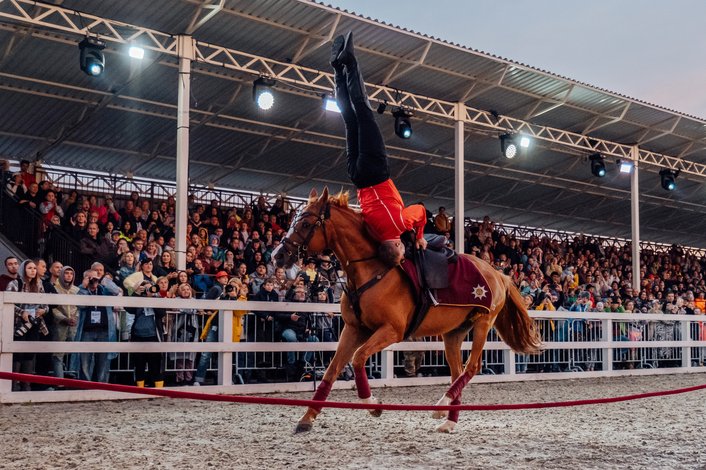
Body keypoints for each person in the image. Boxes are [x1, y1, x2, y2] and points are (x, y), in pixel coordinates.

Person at [330, 32, 427, 266]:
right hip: (358, 178)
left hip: (376, 173)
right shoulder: (371, 233)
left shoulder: (401, 224)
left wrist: (420, 237)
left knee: (363, 111)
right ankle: (337, 70)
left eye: (402, 250)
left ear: (396, 246)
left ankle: (350, 62)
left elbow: (421, 211)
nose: (404, 248)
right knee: (349, 119)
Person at [6, 260, 49, 391]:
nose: (33, 270)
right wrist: (22, 312)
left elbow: (45, 303)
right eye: (29, 268)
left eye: (34, 268)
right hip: (18, 324)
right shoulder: (14, 283)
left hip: (34, 324)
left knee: (30, 354)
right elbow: (7, 303)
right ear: (23, 270)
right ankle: (13, 386)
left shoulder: (39, 284)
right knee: (17, 355)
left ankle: (26, 386)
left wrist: (43, 310)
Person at [73, 269, 117, 383]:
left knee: (103, 361)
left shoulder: (103, 290)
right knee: (85, 361)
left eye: (95, 277)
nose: (93, 280)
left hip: (104, 330)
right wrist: (84, 286)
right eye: (90, 278)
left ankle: (102, 386)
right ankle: (85, 385)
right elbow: (80, 305)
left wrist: (103, 280)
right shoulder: (81, 290)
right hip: (87, 331)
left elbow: (116, 291)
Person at [128, 280, 166, 387]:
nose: (149, 290)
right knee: (139, 364)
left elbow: (161, 313)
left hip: (154, 336)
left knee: (156, 365)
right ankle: (139, 388)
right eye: (146, 288)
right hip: (138, 336)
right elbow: (128, 308)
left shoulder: (157, 299)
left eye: (151, 288)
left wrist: (153, 297)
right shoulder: (138, 299)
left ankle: (159, 389)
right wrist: (136, 294)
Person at [51, 266, 79, 381]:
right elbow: (53, 308)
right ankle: (59, 382)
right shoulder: (55, 289)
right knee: (58, 354)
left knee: (75, 352)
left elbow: (79, 307)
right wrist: (63, 318)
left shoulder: (77, 290)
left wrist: (75, 317)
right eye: (66, 273)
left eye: (71, 273)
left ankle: (75, 379)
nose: (68, 275)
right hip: (59, 326)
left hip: (73, 326)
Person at [168, 283, 200, 385]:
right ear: (179, 291)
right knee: (180, 355)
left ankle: (189, 378)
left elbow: (192, 310)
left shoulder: (194, 301)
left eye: (188, 289)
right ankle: (180, 378)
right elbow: (176, 309)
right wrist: (186, 310)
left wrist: (182, 309)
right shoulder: (176, 300)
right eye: (183, 289)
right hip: (179, 329)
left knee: (190, 355)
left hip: (192, 329)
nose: (186, 291)